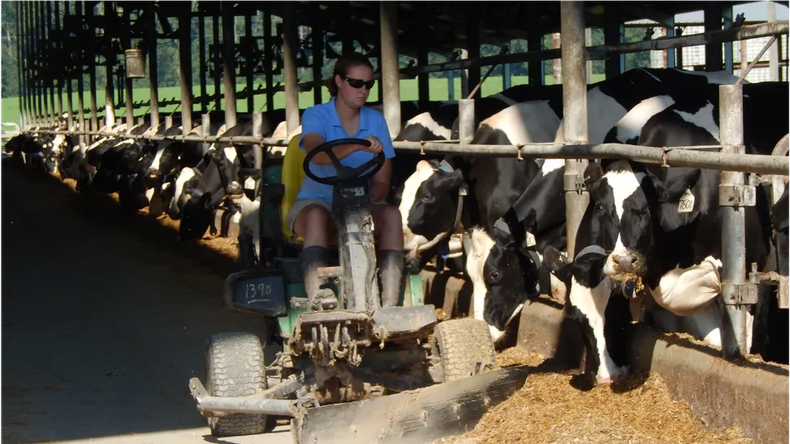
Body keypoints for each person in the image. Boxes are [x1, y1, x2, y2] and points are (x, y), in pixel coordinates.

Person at [287, 52, 404, 309]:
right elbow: (317, 154)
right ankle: (319, 301)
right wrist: (356, 146)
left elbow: (383, 181)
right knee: (317, 216)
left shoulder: (375, 120)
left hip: (359, 203)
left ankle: (390, 305)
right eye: (356, 83)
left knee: (392, 215)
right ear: (339, 81)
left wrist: (364, 201)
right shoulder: (316, 115)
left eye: (368, 84)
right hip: (316, 202)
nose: (363, 91)